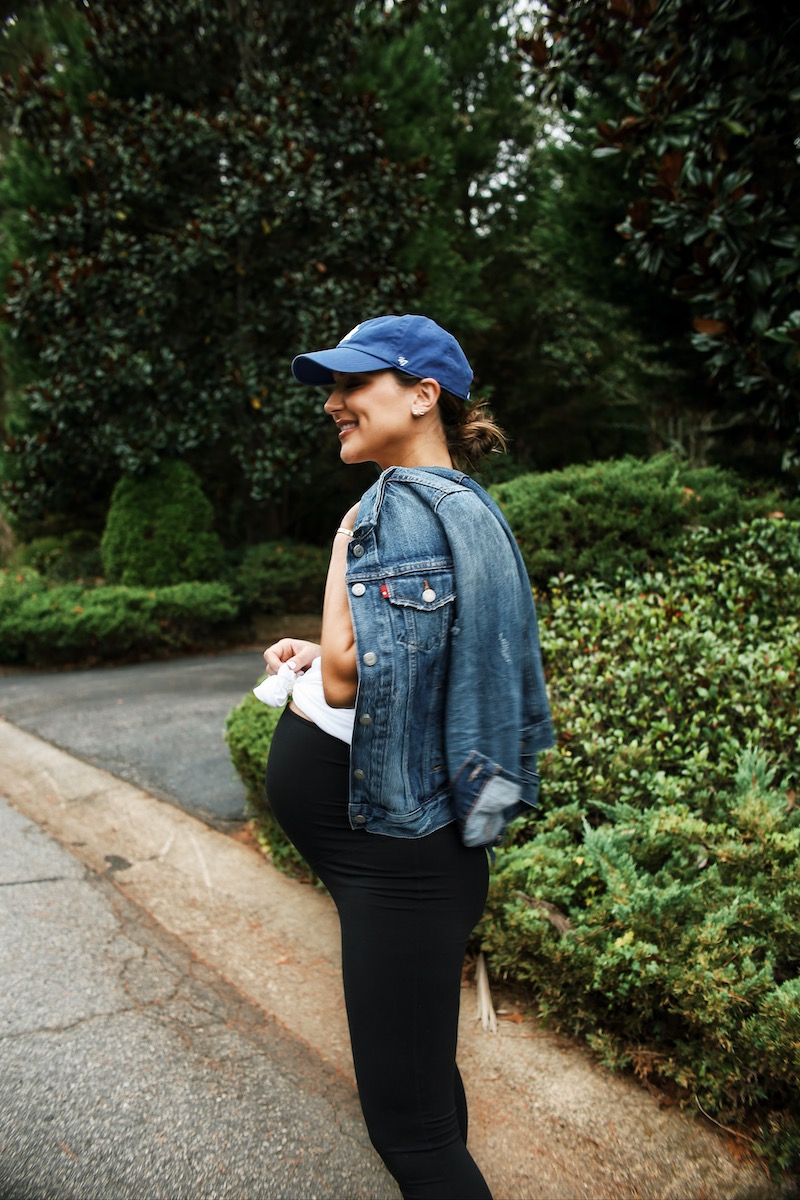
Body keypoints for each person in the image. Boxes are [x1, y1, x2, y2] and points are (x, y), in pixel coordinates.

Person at [261, 314, 553, 1200]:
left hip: (399, 863)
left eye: (355, 385)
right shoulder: (467, 504)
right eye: (331, 388)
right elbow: (428, 664)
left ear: (424, 395)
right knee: (428, 1098)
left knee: (414, 1138)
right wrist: (323, 654)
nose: (334, 403)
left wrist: (342, 560)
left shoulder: (391, 506)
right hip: (421, 857)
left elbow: (350, 681)